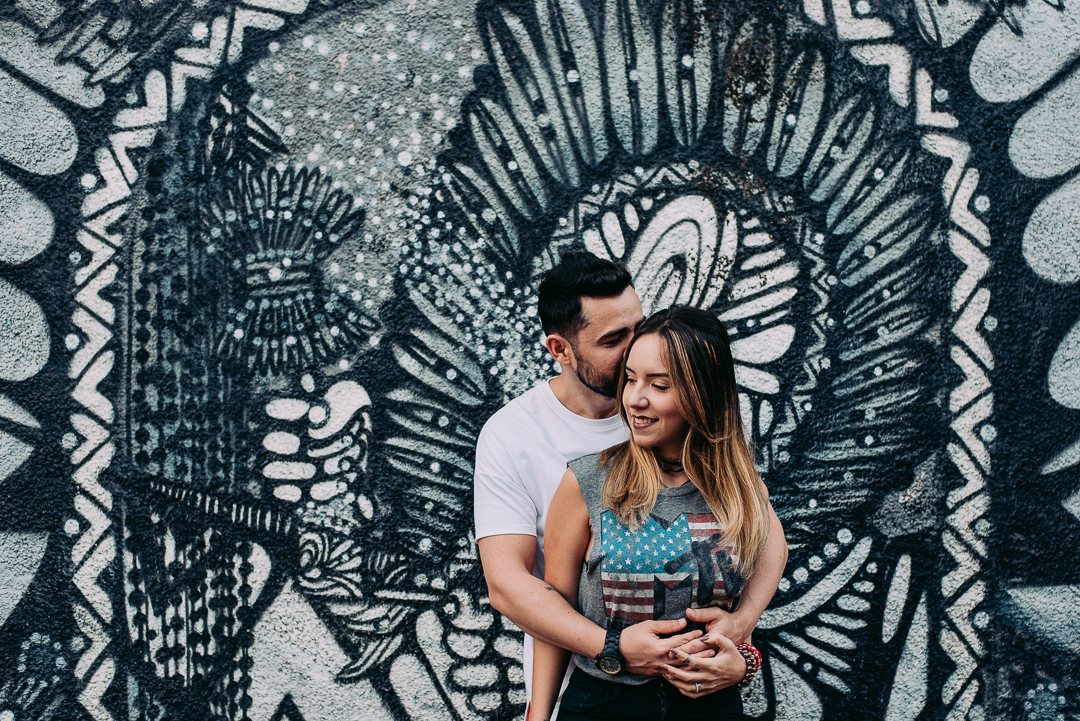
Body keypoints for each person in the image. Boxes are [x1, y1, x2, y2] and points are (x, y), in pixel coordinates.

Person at [473, 253, 787, 716]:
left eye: (636, 328)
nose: (633, 351)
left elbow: (760, 539)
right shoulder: (516, 436)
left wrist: (742, 632)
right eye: (613, 340)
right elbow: (509, 586)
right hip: (591, 687)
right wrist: (613, 646)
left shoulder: (681, 428)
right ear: (560, 349)